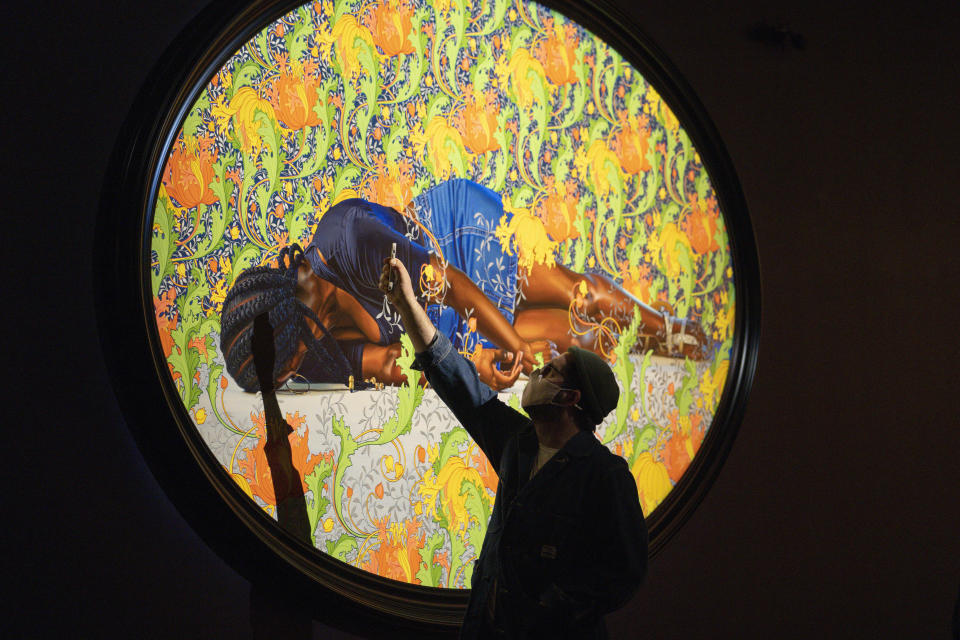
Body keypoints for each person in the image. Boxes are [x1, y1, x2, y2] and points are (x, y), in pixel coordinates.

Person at [220, 178, 707, 393]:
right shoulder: (314, 351)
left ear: (286, 335)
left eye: (284, 372)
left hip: (455, 240)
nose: (293, 378)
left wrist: (518, 352)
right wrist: (475, 364)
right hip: (449, 326)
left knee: (579, 294)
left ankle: (676, 331)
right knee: (571, 337)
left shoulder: (346, 238)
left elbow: (451, 285)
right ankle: (655, 339)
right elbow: (395, 365)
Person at [379, 256, 648, 639]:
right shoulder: (520, 443)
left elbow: (624, 573)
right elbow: (452, 375)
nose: (536, 371)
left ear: (570, 398)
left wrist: (550, 606)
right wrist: (406, 302)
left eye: (550, 371)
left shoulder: (605, 475)